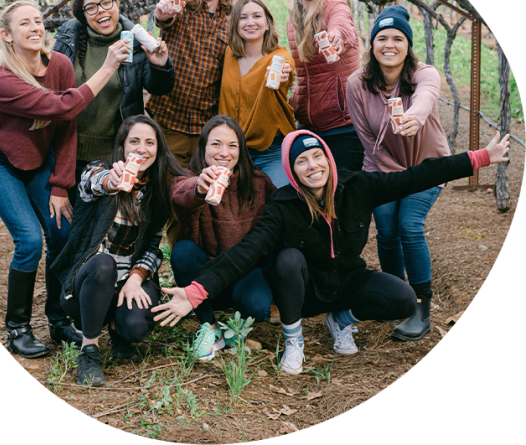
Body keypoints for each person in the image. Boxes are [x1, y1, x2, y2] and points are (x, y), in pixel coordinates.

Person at [152, 129, 510, 374]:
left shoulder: (358, 187)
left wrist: (479, 158)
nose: (312, 166)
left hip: (345, 282)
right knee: (288, 258)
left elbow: (416, 175)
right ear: (292, 171)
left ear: (328, 158)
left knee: (403, 299)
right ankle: (294, 340)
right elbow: (246, 251)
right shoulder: (283, 205)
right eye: (301, 162)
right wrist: (196, 292)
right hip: (303, 292)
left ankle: (342, 321)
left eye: (316, 156)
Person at [0, 0, 130, 358]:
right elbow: (64, 106)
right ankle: (18, 329)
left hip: (38, 159)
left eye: (39, 21)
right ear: (6, 35)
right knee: (28, 240)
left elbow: (66, 128)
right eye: (24, 23)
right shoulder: (0, 78)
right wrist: (107, 67)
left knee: (60, 232)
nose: (35, 28)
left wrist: (60, 185)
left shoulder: (57, 64)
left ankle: (58, 320)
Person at [50, 115, 187, 386]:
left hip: (127, 281)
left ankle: (116, 327)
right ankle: (89, 350)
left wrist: (136, 277)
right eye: (133, 141)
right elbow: (94, 182)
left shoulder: (157, 192)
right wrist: (112, 182)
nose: (141, 148)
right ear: (122, 146)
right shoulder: (98, 170)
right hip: (88, 281)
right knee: (104, 265)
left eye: (150, 142)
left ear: (158, 150)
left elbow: (153, 247)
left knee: (136, 328)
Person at [346, 5, 450, 341]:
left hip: (427, 167)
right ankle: (397, 295)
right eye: (382, 38)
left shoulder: (424, 73)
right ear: (372, 44)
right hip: (382, 169)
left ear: (408, 45)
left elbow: (427, 97)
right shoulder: (357, 84)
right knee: (387, 230)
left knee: (409, 225)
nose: (389, 44)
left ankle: (422, 306)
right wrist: (392, 181)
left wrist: (415, 117)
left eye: (397, 38)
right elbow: (366, 139)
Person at [52, 0, 175, 201]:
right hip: (68, 154)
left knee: (100, 225)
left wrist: (160, 64)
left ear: (117, 5)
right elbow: (55, 97)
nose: (101, 10)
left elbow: (159, 88)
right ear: (83, 16)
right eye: (91, 7)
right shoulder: (68, 43)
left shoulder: (134, 43)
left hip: (113, 156)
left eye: (106, 2)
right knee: (64, 229)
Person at [168, 115, 277, 361]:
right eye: (216, 144)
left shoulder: (259, 184)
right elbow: (180, 194)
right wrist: (200, 187)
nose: (223, 152)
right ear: (204, 147)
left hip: (244, 276)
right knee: (182, 251)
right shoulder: (188, 178)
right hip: (204, 279)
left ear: (241, 150)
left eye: (232, 145)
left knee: (258, 305)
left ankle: (237, 330)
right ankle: (211, 327)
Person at [147, 0, 235, 167]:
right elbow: (163, 18)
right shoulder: (180, 8)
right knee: (167, 190)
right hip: (169, 121)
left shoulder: (232, 21)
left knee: (201, 193)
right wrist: (162, 14)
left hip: (207, 128)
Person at [286, 0, 364, 171]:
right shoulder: (293, 20)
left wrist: (337, 38)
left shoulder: (335, 7)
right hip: (309, 126)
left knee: (345, 195)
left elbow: (343, 27)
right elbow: (304, 75)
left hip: (343, 126)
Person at [218, 0, 295, 187]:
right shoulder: (228, 55)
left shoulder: (279, 58)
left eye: (257, 16)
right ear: (235, 24)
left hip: (271, 151)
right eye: (243, 17)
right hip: (231, 152)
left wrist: (284, 74)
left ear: (267, 23)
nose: (250, 22)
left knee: (280, 201)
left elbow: (287, 69)